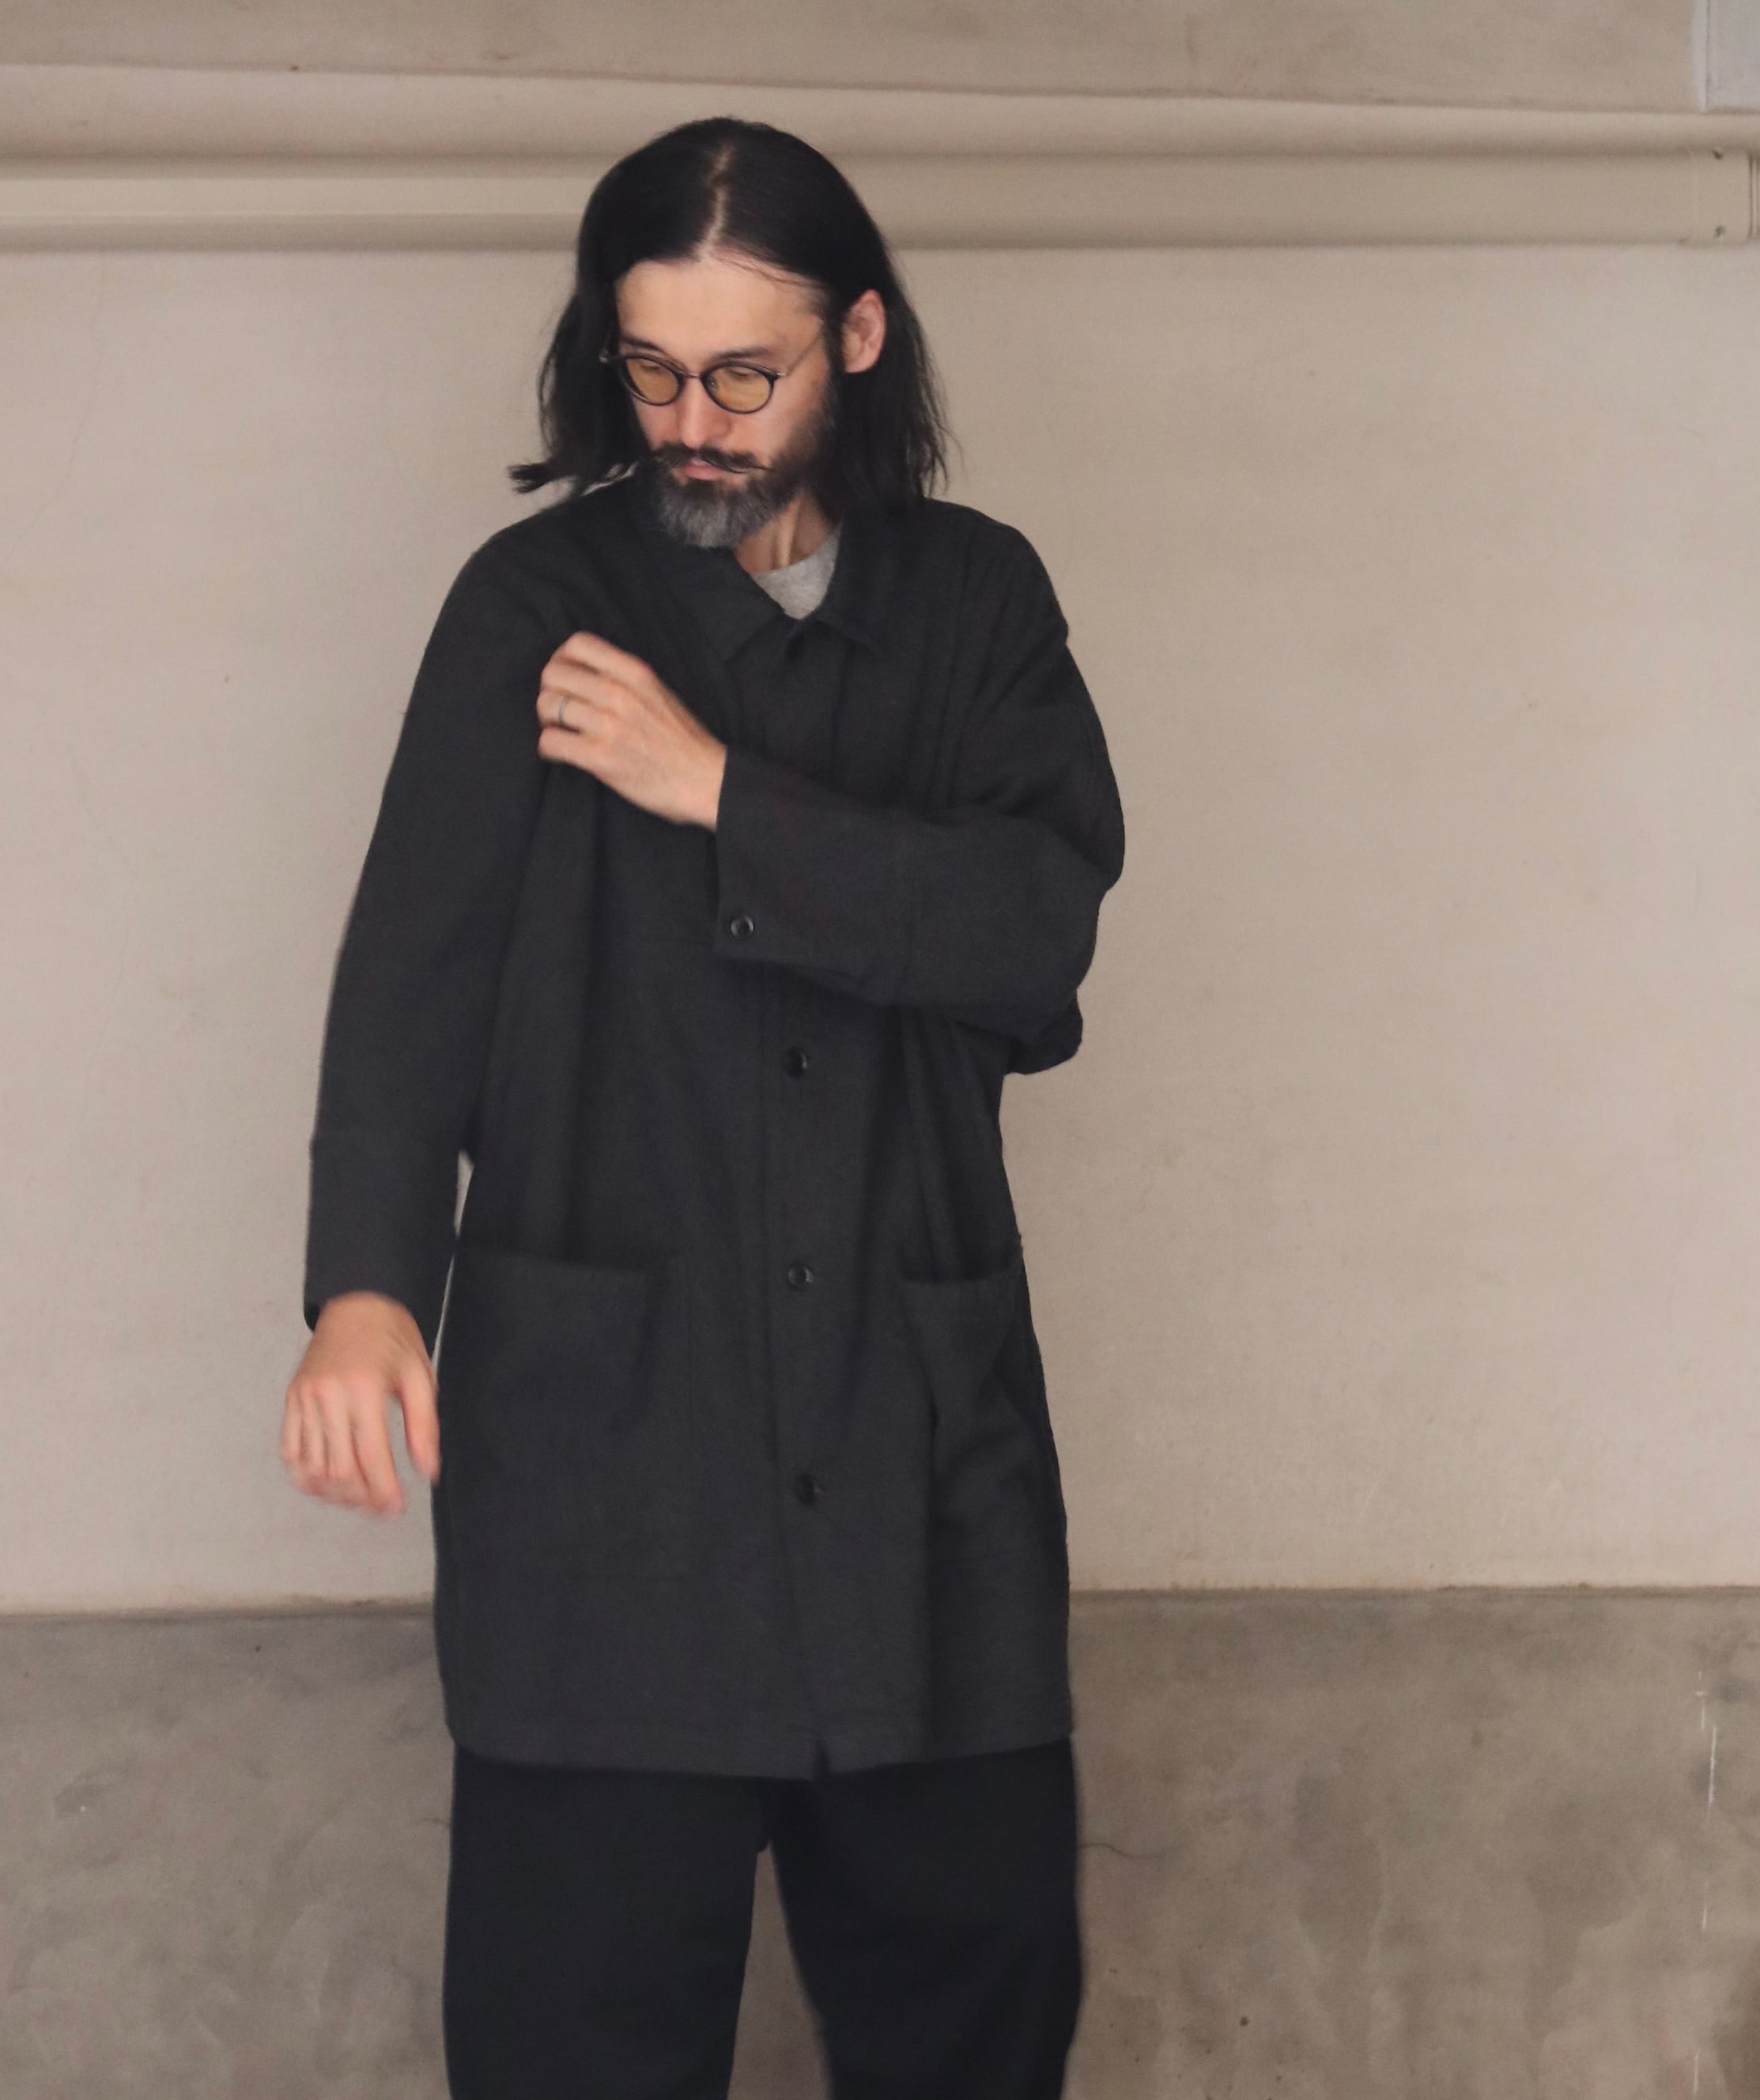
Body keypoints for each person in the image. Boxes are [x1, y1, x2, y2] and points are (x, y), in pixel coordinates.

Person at [280, 115, 1126, 2100]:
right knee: (567, 2042)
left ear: (855, 339)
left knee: (976, 2020)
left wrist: (718, 791)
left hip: (919, 1463)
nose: (689, 422)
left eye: (742, 375)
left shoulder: (978, 607)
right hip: (610, 1481)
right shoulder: (530, 608)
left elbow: (1031, 938)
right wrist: (365, 1290)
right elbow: (413, 975)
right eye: (650, 368)